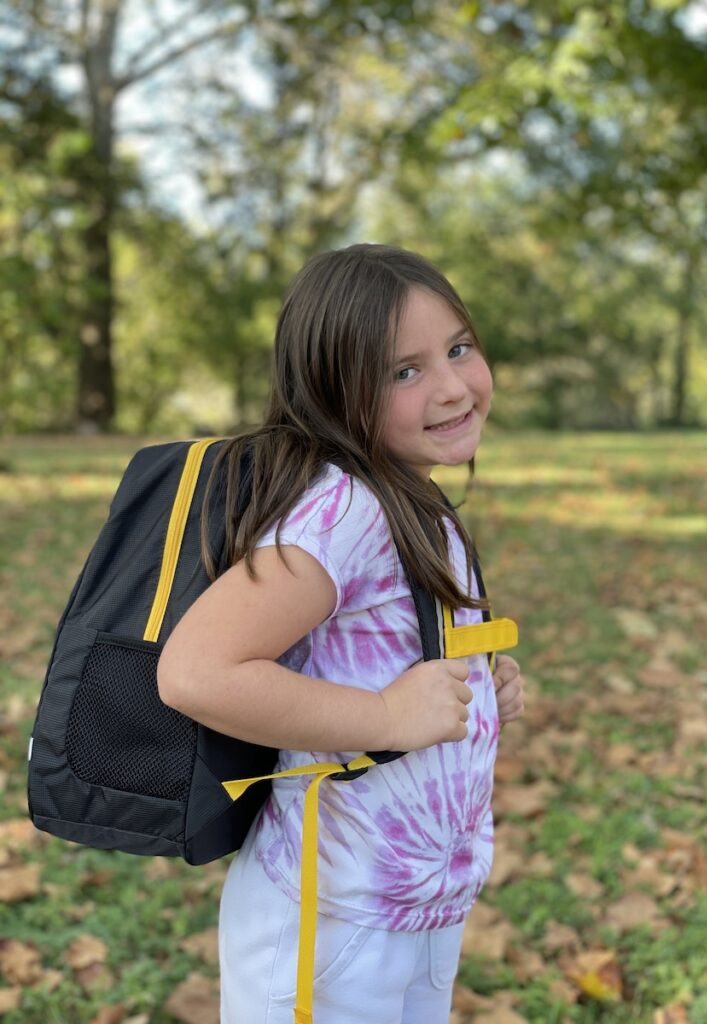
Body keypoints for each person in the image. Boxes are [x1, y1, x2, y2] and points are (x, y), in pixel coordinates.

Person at [156, 243, 526, 1024]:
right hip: (328, 927)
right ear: (334, 394)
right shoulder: (344, 511)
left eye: (459, 348)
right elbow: (196, 671)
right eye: (405, 371)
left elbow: (386, 646)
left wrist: (481, 681)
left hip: (408, 908)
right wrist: (388, 719)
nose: (455, 386)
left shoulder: (411, 497)